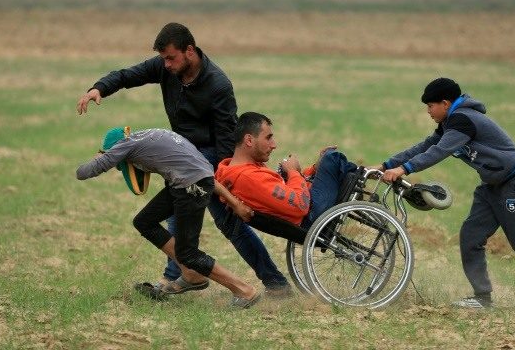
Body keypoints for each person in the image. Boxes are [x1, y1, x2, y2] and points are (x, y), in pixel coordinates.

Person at [76, 22, 291, 295]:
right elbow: (127, 75)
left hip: (210, 158)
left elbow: (226, 138)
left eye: (170, 58)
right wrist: (99, 88)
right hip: (182, 155)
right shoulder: (166, 68)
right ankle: (181, 276)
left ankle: (275, 285)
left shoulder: (218, 84)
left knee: (230, 224)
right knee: (177, 214)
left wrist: (223, 182)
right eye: (163, 59)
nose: (165, 64)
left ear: (189, 51)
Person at [378, 78, 515, 308]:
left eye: (430, 106)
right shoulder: (449, 123)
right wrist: (386, 165)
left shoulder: (463, 120)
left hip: (513, 183)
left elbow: (439, 151)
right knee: (470, 236)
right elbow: (425, 146)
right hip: (491, 185)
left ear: (445, 103)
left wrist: (404, 169)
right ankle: (482, 297)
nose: (428, 111)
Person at [76, 126, 261, 308]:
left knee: (188, 253)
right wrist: (235, 203)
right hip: (187, 182)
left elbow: (83, 173)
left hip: (190, 186)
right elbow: (205, 175)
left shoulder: (125, 145)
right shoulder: (149, 136)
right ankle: (191, 274)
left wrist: (101, 156)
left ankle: (244, 290)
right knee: (144, 221)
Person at [215, 112, 357, 228]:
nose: (274, 145)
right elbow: (300, 205)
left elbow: (283, 190)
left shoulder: (239, 171)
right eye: (268, 138)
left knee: (326, 163)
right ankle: (364, 178)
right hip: (312, 216)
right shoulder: (249, 177)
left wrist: (313, 170)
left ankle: (362, 176)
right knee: (332, 157)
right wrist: (293, 172)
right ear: (249, 140)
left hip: (307, 209)